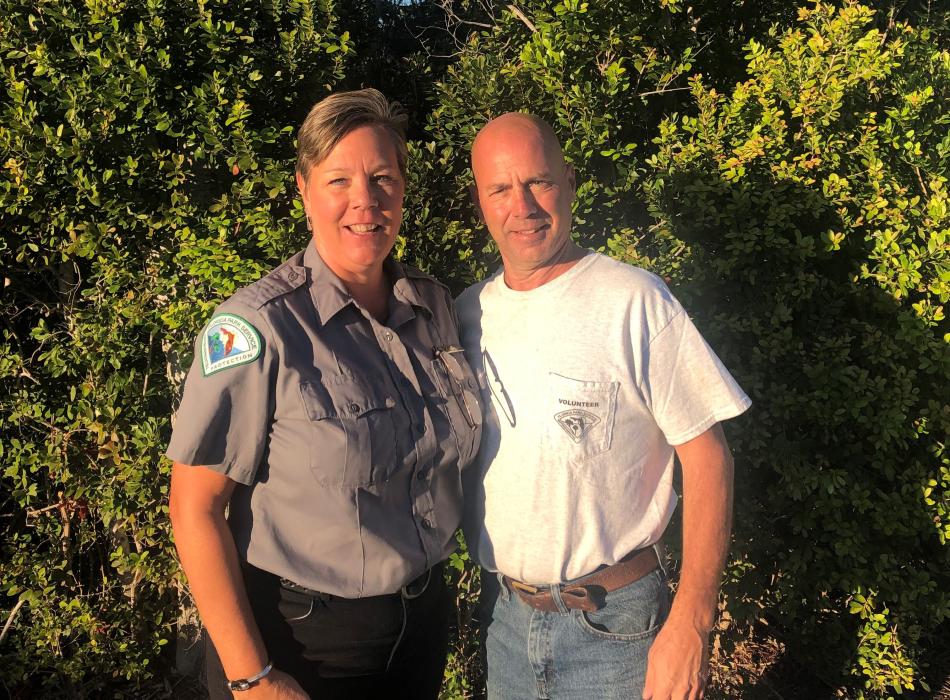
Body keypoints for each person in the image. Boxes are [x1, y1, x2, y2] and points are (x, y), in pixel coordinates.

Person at [167, 88, 482, 700]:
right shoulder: (258, 329)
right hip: (304, 645)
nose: (364, 201)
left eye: (382, 178)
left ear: (403, 189)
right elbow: (194, 509)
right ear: (303, 188)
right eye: (338, 179)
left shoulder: (435, 306)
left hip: (421, 625)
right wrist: (252, 677)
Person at [456, 113, 751, 700]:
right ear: (480, 201)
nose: (523, 206)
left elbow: (708, 457)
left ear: (568, 182)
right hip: (507, 623)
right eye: (500, 189)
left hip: (617, 629)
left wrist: (692, 622)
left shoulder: (634, 300)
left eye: (538, 182)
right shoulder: (467, 314)